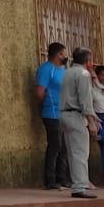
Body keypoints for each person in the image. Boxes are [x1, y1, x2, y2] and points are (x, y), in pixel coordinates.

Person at [59, 47, 97, 199]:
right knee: (80, 152)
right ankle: (80, 186)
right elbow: (85, 100)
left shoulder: (66, 72)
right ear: (88, 62)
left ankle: (77, 184)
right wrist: (91, 122)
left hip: (63, 113)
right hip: (75, 115)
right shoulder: (83, 74)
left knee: (72, 151)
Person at [34, 42, 70, 190]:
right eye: (64, 53)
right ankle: (50, 181)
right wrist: (44, 105)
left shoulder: (62, 70)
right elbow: (39, 92)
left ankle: (62, 178)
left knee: (64, 148)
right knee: (55, 146)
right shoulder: (45, 69)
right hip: (51, 112)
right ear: (58, 54)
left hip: (64, 112)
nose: (66, 56)